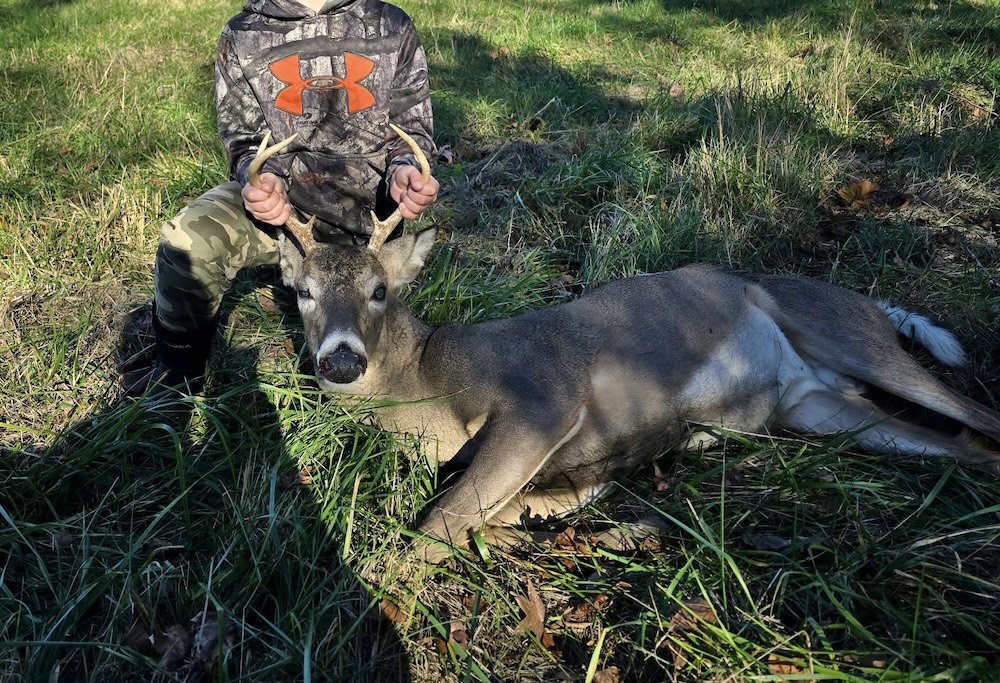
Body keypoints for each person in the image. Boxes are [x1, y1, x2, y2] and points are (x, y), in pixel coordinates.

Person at [135, 0, 439, 396]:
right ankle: (177, 373)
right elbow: (245, 141)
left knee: (367, 383)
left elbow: (412, 130)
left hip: (370, 227)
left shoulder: (390, 24)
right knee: (189, 240)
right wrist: (263, 181)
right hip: (285, 220)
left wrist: (405, 172)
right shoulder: (242, 34)